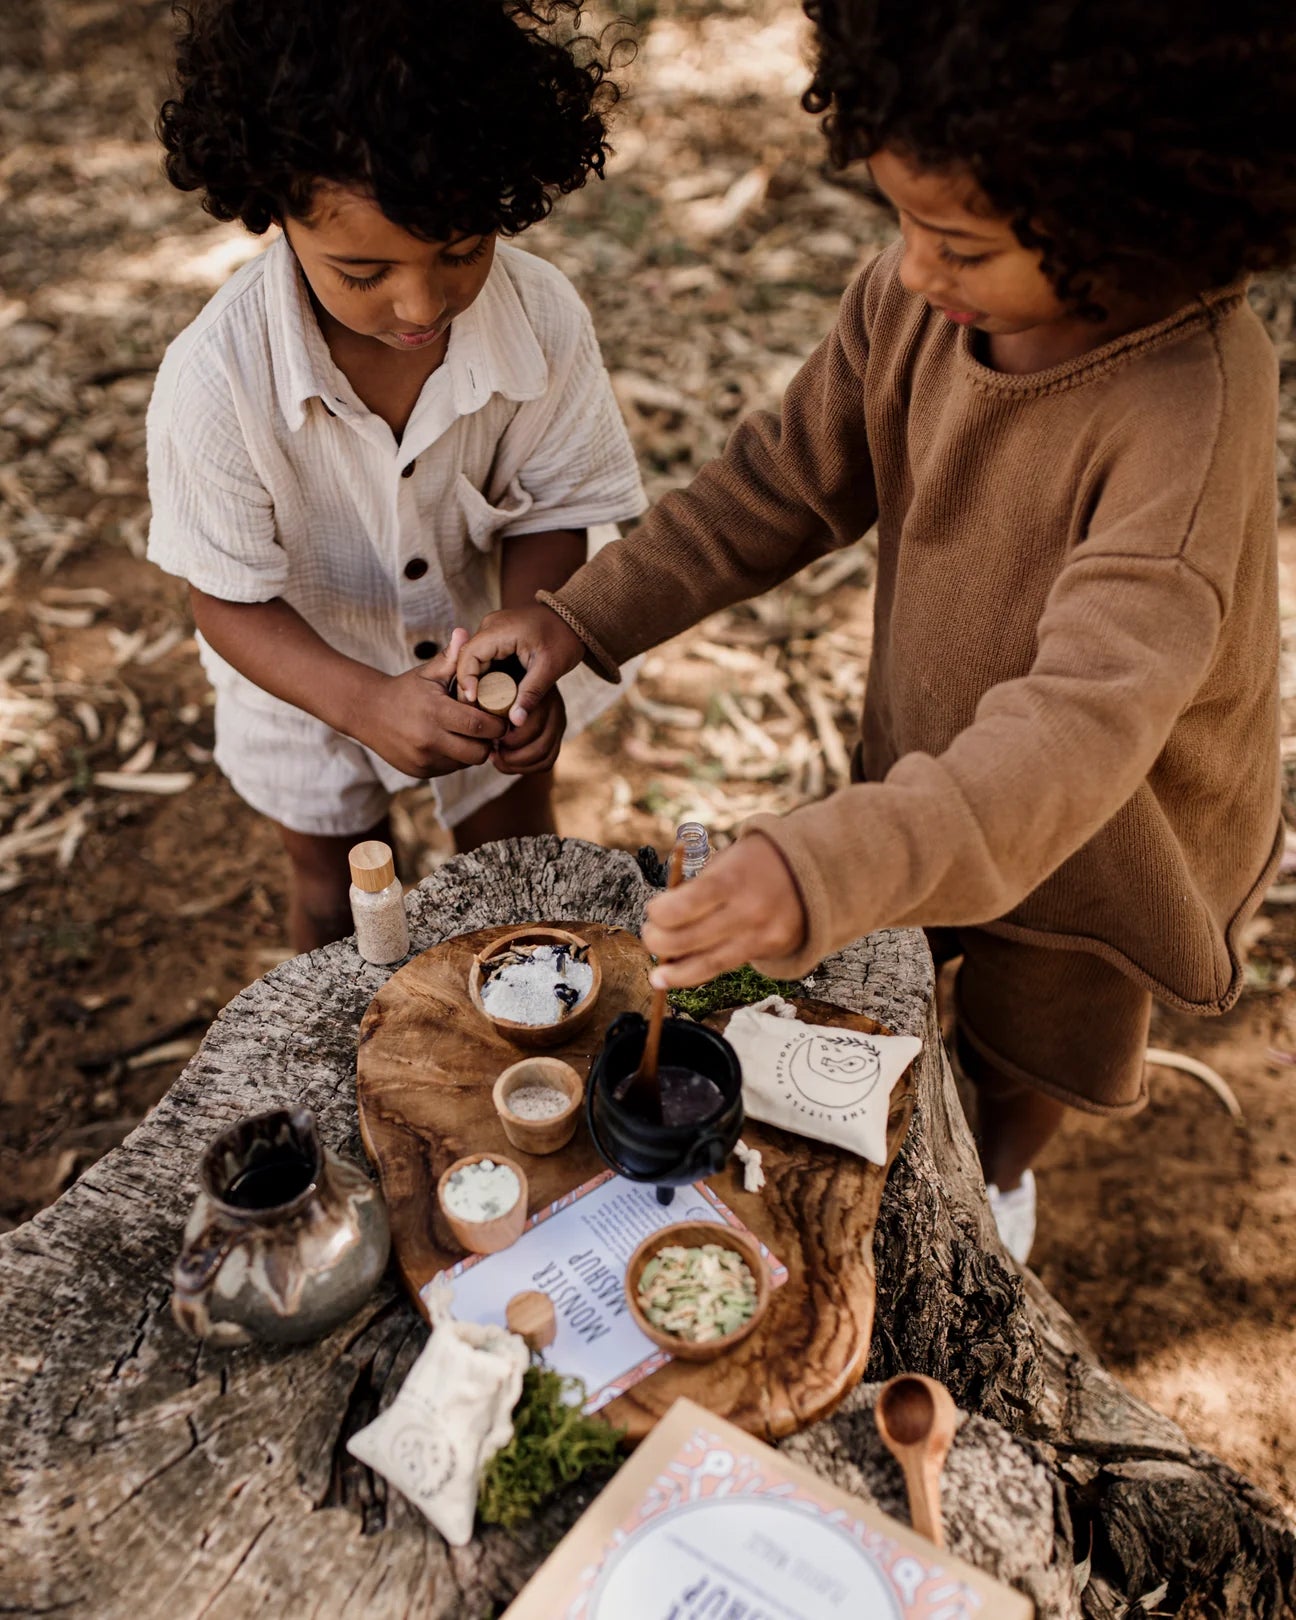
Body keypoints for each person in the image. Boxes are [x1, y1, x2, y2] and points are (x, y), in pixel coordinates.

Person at [458, 0, 1296, 1261]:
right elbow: (778, 485)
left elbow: (1075, 731)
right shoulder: (926, 305)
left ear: (1119, 225)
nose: (910, 269)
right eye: (900, 222)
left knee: (1027, 1044)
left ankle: (1000, 1183)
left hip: (1103, 837)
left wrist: (818, 871)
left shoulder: (1186, 415)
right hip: (924, 771)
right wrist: (585, 617)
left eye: (954, 241)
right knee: (911, 958)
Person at [146, 0, 645, 953]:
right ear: (273, 207)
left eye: (460, 252)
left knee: (512, 877)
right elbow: (228, 603)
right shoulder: (216, 381)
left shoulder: (541, 318)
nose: (422, 303)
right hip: (304, 683)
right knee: (341, 903)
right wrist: (365, 703)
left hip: (487, 671)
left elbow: (557, 508)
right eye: (364, 271)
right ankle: (341, 1075)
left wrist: (529, 644)